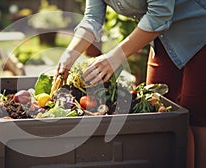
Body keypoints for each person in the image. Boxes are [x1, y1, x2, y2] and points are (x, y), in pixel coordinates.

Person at [54, 1, 206, 168]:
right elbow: (92, 18)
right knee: (154, 114)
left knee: (197, 118)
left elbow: (160, 14)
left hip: (199, 31)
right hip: (163, 38)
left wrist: (115, 57)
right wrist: (69, 55)